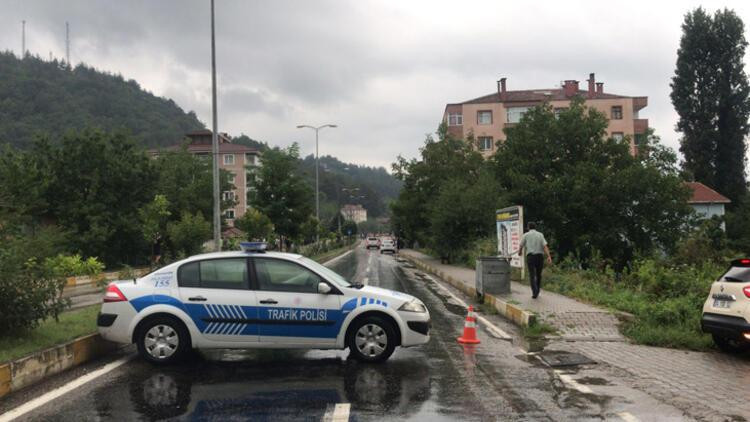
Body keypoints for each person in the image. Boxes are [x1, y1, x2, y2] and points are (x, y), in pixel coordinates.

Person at [513, 222, 552, 299]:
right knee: (538, 274)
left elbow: (521, 245)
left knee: (532, 274)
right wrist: (549, 256)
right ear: (535, 227)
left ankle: (534, 292)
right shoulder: (540, 235)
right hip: (539, 257)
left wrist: (520, 252)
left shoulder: (526, 235)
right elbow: (545, 246)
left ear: (528, 227)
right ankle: (537, 290)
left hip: (530, 257)